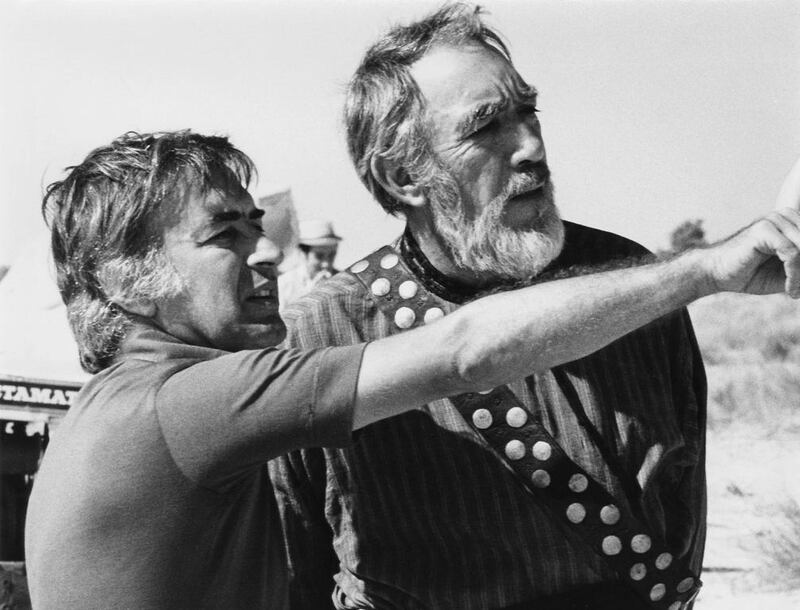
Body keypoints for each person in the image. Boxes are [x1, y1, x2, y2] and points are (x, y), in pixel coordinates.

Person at [23, 132, 799, 610]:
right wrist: (707, 271)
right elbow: (464, 353)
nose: (263, 250)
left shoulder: (115, 409)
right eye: (223, 233)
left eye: (258, 224)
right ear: (127, 277)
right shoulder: (186, 406)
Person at [268, 4, 800, 609]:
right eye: (485, 126)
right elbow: (294, 562)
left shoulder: (634, 277)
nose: (529, 146)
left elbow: (684, 490)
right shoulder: (324, 332)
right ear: (402, 177)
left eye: (528, 110)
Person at [279, 219, 342, 308]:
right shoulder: (284, 284)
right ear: (303, 253)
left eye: (331, 255)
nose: (326, 264)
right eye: (319, 256)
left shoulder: (345, 282)